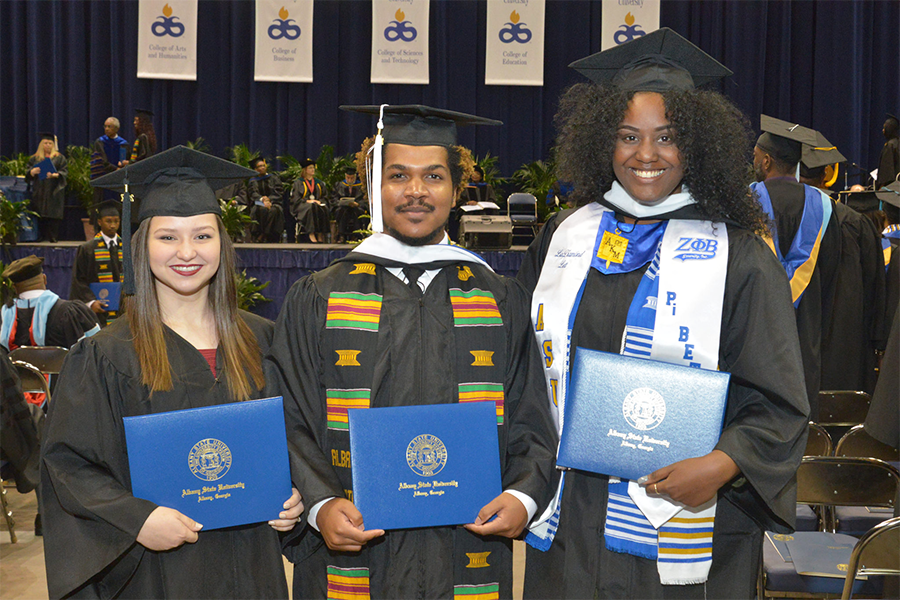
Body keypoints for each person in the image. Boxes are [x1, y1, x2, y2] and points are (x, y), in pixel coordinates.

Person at [518, 29, 808, 599]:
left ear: (698, 145)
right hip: (574, 513)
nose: (645, 156)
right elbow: (525, 374)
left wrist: (726, 464)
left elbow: (777, 401)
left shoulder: (740, 256)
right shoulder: (564, 239)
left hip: (690, 517)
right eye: (628, 136)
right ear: (604, 141)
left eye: (667, 138)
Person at [267, 105, 558, 600]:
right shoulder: (321, 295)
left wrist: (522, 496)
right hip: (354, 539)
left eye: (434, 177)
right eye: (398, 175)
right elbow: (288, 413)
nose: (417, 191)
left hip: (466, 544)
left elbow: (532, 412)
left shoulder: (497, 297)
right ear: (373, 185)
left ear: (457, 188)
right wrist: (319, 504)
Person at [40, 146, 303, 600]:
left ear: (223, 242)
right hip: (158, 575)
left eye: (202, 236)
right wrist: (136, 518)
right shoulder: (105, 355)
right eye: (168, 237)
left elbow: (298, 441)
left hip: (255, 569)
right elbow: (67, 465)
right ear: (142, 245)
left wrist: (295, 498)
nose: (187, 252)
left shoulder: (264, 340)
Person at [751, 115, 841, 419]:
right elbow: (830, 275)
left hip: (754, 325)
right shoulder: (826, 207)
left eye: (755, 156)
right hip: (806, 328)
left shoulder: (746, 203)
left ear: (765, 162)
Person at [799, 136, 886, 394]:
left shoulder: (781, 215)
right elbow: (874, 286)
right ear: (827, 172)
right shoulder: (853, 222)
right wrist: (876, 340)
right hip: (845, 340)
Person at [1, 255, 99, 352]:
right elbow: (96, 351)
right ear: (44, 279)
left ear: (14, 287)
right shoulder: (71, 312)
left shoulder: (5, 317)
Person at [69, 200, 124, 327]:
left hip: (123, 311)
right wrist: (91, 302)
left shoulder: (127, 247)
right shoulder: (88, 249)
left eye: (116, 221)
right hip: (98, 313)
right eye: (108, 221)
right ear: (99, 222)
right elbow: (78, 280)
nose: (113, 226)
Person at [25, 133, 67, 243]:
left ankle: (53, 236)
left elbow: (64, 172)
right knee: (39, 213)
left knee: (53, 214)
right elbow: (27, 172)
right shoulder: (35, 158)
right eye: (45, 143)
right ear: (41, 145)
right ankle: (40, 236)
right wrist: (32, 172)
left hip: (54, 189)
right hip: (40, 189)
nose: (47, 145)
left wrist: (54, 175)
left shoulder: (59, 158)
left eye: (50, 143)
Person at [245, 157, 286, 242]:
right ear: (255, 169)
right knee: (261, 210)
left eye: (263, 165)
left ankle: (263, 234)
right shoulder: (253, 181)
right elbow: (252, 194)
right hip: (258, 203)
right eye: (260, 166)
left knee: (274, 210)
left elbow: (278, 192)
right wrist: (262, 199)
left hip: (273, 202)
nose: (262, 167)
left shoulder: (274, 178)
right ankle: (263, 234)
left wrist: (269, 200)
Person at [90, 117, 128, 204]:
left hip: (118, 180)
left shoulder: (123, 144)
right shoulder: (100, 142)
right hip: (103, 178)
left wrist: (121, 168)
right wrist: (115, 169)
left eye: (109, 126)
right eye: (105, 126)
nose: (106, 129)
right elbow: (101, 161)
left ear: (116, 128)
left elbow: (124, 160)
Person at [290, 158, 329, 242]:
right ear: (305, 170)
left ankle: (320, 234)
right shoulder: (298, 183)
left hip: (316, 204)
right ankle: (311, 233)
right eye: (310, 168)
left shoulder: (319, 183)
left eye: (313, 168)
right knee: (311, 207)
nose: (313, 169)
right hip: (302, 205)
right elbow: (295, 198)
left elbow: (325, 196)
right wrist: (307, 201)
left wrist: (320, 201)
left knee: (323, 208)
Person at [329, 166, 365, 242]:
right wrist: (340, 203)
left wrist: (358, 204)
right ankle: (342, 235)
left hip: (356, 208)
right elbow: (333, 199)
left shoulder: (361, 186)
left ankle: (356, 235)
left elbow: (364, 199)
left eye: (352, 178)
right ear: (345, 176)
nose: (350, 180)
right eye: (348, 178)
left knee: (356, 210)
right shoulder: (339, 185)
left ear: (355, 177)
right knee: (342, 210)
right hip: (342, 208)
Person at [875, 113, 900, 190]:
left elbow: (887, 171)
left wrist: (882, 186)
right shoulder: (897, 143)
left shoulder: (890, 146)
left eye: (884, 128)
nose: (883, 130)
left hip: (891, 187)